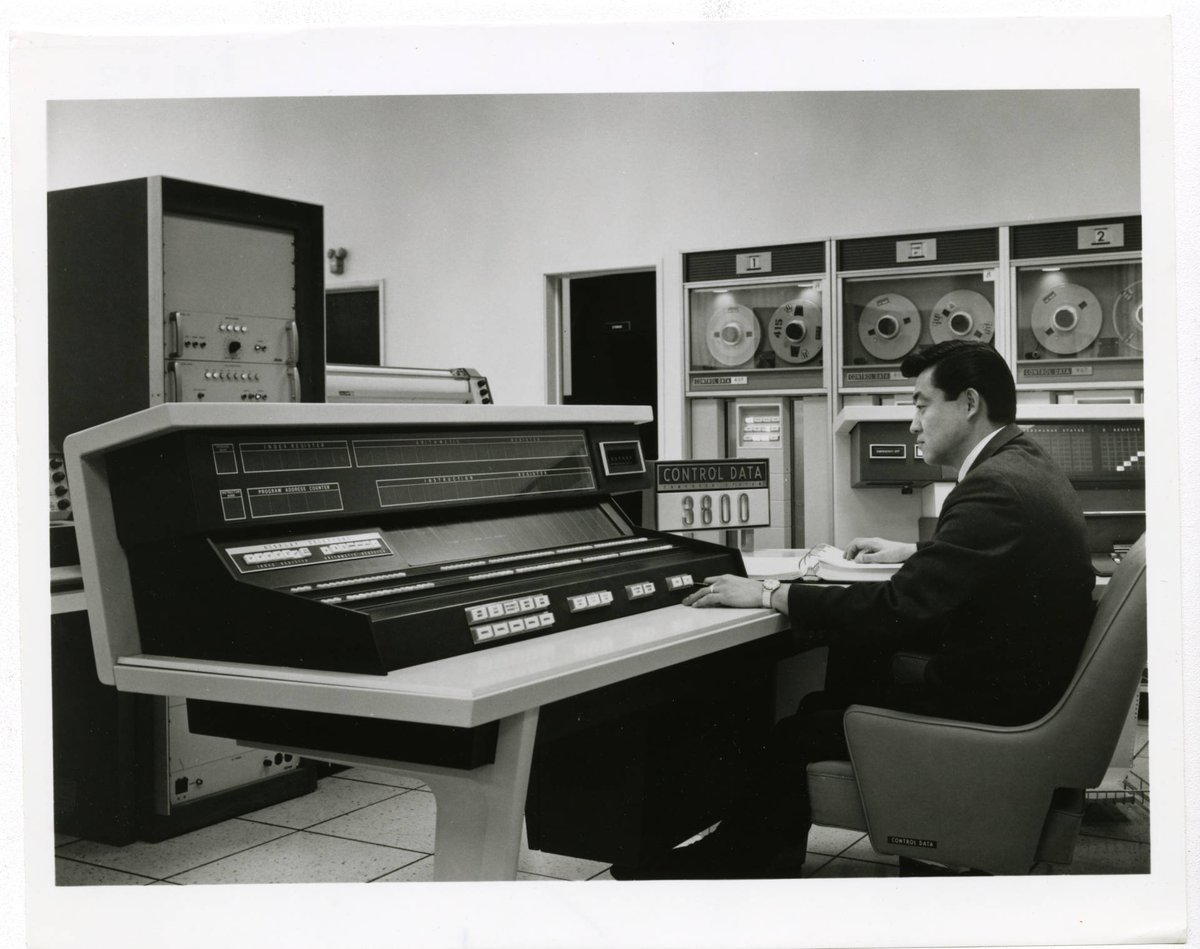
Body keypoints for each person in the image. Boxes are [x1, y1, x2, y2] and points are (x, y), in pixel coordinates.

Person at [612, 340, 1096, 880]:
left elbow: (897, 607)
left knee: (797, 730)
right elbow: (992, 562)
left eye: (920, 403)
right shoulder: (1023, 463)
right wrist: (916, 553)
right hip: (1020, 687)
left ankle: (745, 858)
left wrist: (772, 592)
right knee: (840, 680)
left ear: (969, 404)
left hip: (992, 707)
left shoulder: (995, 487)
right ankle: (762, 848)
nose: (912, 424)